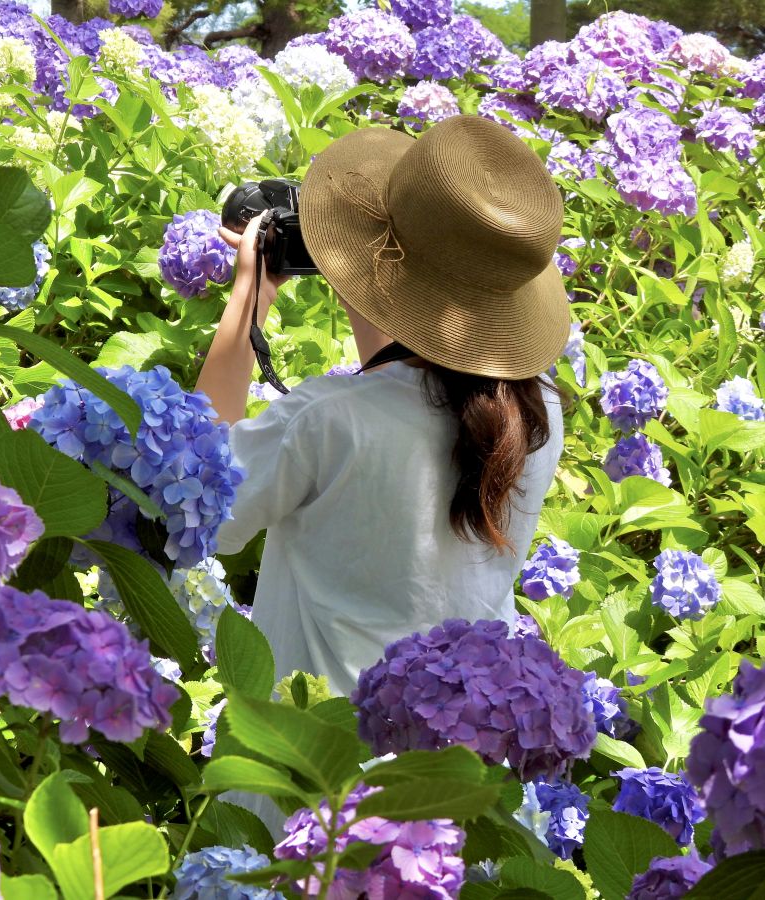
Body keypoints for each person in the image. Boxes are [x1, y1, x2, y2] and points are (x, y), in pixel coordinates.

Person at [195, 115, 570, 701]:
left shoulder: (327, 422)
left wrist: (252, 293)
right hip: (447, 761)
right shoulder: (538, 410)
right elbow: (422, 372)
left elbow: (203, 497)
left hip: (320, 761)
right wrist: (375, 287)